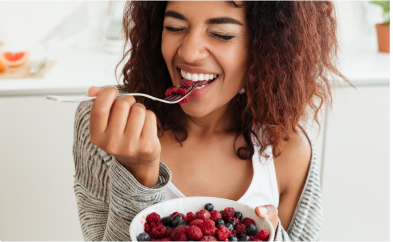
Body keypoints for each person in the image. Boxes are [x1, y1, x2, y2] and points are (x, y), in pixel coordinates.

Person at [73, 0, 349, 241]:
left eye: (222, 34)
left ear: (267, 45)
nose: (190, 53)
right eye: (174, 27)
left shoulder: (287, 149)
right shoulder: (109, 127)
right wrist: (138, 176)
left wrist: (273, 236)